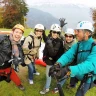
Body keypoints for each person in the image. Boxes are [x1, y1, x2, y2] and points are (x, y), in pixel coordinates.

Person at [49, 21, 96, 96]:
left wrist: (69, 69)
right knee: (73, 81)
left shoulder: (94, 47)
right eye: (75, 30)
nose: (76, 33)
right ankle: (72, 84)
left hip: (88, 78)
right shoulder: (78, 44)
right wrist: (58, 64)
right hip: (78, 73)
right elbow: (68, 55)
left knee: (79, 94)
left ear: (87, 33)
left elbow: (89, 64)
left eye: (78, 31)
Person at [40, 24, 64, 95]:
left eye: (57, 33)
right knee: (51, 74)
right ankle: (49, 84)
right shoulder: (50, 38)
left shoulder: (59, 42)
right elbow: (45, 39)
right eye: (54, 32)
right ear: (51, 32)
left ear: (59, 34)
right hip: (49, 60)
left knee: (48, 75)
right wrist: (43, 32)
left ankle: (46, 88)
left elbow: (53, 53)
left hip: (54, 61)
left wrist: (49, 43)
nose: (55, 34)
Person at [0, 24, 25, 90]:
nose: (18, 34)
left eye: (20, 33)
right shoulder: (3, 39)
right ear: (12, 32)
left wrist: (22, 62)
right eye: (16, 32)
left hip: (7, 66)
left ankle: (19, 85)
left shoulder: (18, 45)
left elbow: (20, 57)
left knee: (14, 77)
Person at [53, 28, 77, 93]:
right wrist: (60, 27)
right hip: (65, 61)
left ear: (73, 37)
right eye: (67, 36)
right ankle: (73, 84)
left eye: (70, 36)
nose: (68, 38)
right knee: (63, 75)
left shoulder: (74, 46)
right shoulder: (66, 39)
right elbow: (60, 35)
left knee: (65, 76)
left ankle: (58, 88)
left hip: (71, 64)